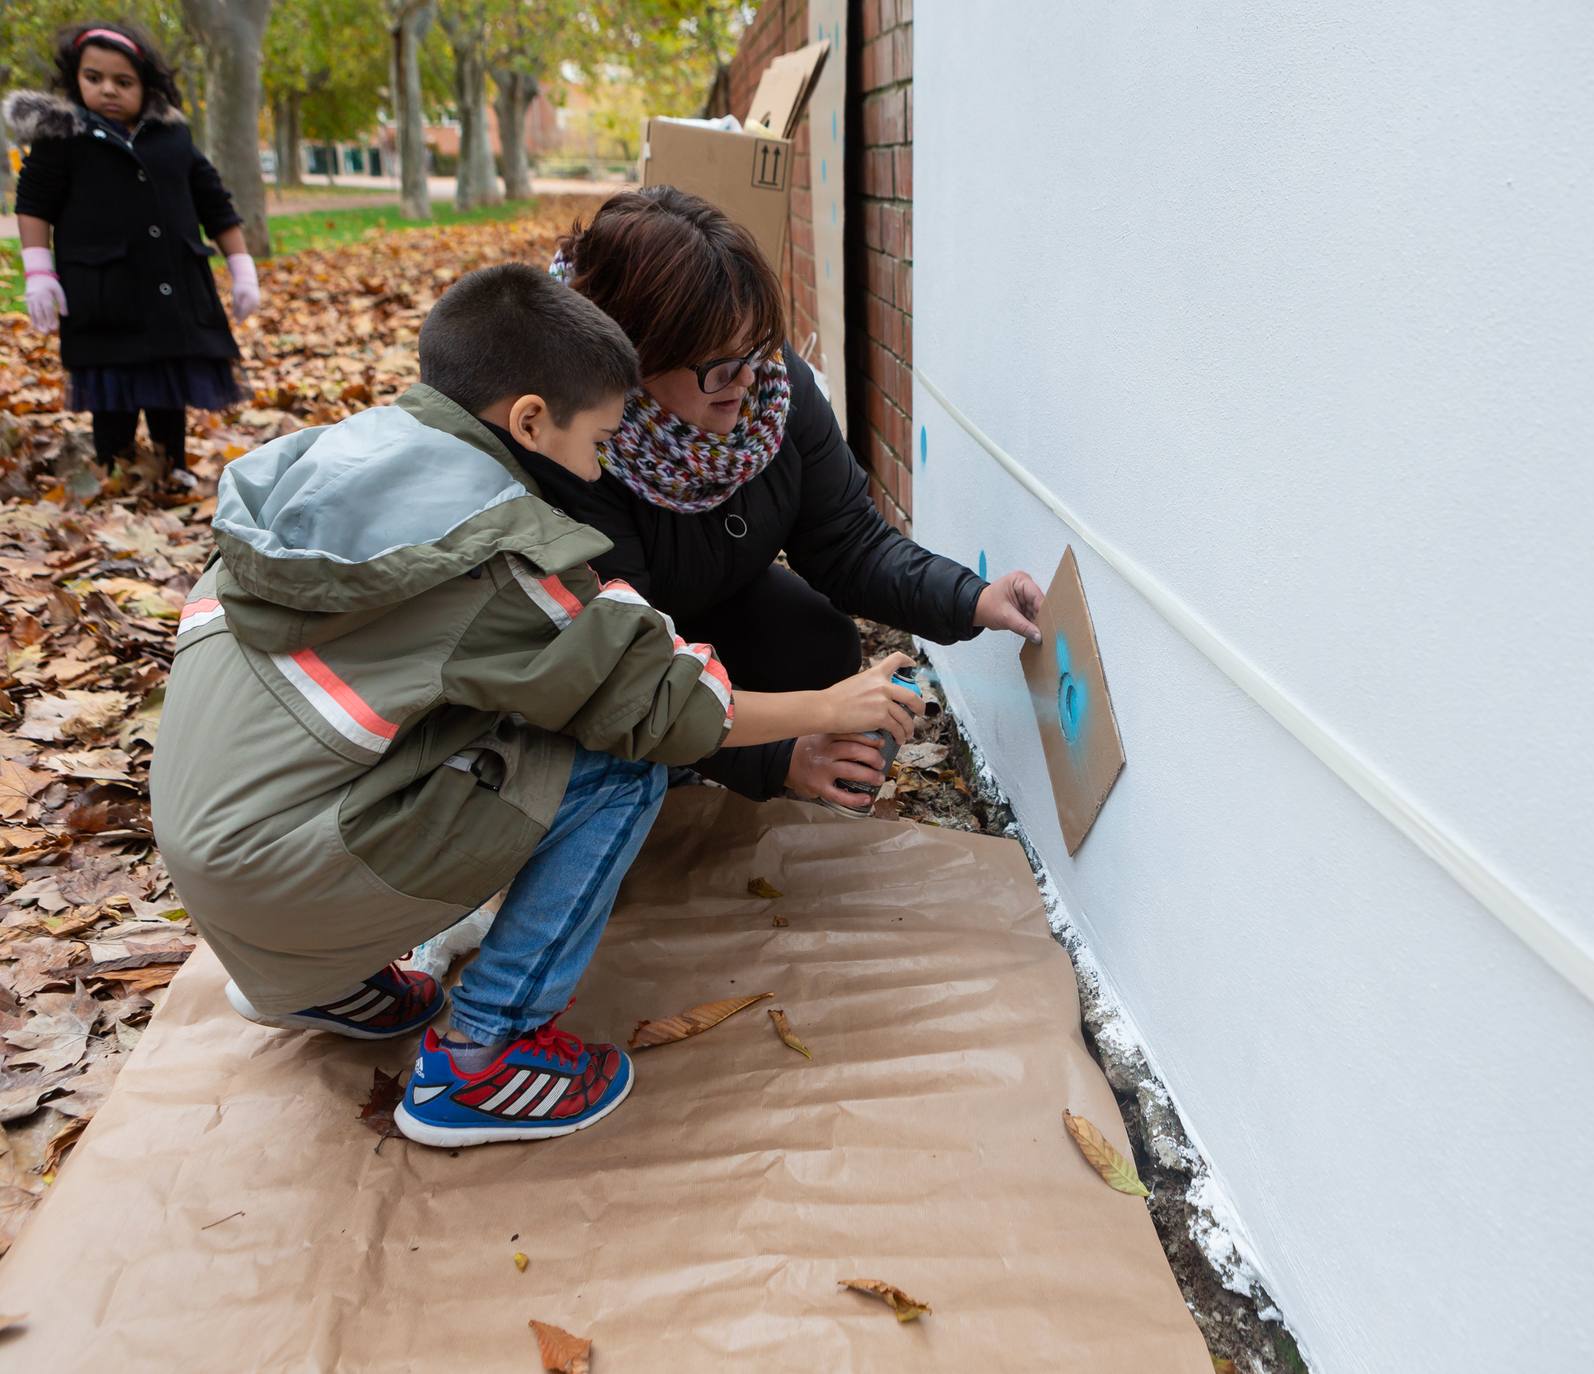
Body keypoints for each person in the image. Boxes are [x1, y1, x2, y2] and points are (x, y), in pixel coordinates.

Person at [150, 265, 921, 1147]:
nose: (599, 463)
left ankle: (327, 978)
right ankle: (485, 1056)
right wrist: (827, 706)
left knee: (480, 718)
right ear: (527, 420)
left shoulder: (340, 461)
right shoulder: (497, 553)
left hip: (223, 866)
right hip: (294, 881)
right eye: (597, 440)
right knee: (623, 763)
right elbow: (660, 706)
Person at [540, 187, 1045, 812]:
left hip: (707, 604)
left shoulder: (774, 394)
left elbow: (850, 544)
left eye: (757, 351)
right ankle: (674, 776)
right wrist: (782, 758)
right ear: (632, 358)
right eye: (720, 367)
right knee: (617, 758)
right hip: (609, 661)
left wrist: (971, 598)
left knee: (816, 643)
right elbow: (627, 677)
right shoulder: (575, 441)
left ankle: (710, 754)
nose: (747, 382)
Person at [4, 22, 258, 472]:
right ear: (74, 78)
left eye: (123, 82)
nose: (108, 91)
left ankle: (172, 461)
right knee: (112, 386)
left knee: (169, 385)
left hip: (172, 290)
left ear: (147, 86)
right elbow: (33, 203)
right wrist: (39, 272)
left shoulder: (172, 137)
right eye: (93, 78)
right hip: (103, 292)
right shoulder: (62, 139)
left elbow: (213, 201)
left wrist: (242, 267)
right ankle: (114, 463)